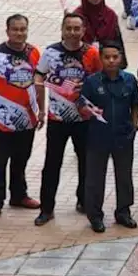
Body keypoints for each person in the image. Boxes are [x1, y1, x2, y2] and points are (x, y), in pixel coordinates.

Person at [33, 12, 101, 225]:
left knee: (86, 163)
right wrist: (41, 106)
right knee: (52, 164)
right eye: (68, 28)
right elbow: (38, 75)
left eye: (76, 29)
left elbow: (100, 80)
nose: (72, 32)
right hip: (57, 119)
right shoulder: (51, 52)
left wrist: (88, 88)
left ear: (83, 31)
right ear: (62, 29)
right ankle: (46, 209)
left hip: (84, 119)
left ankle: (84, 201)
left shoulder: (91, 52)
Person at [0, 15, 42, 223]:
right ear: (7, 31)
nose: (19, 33)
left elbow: (40, 83)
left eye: (23, 29)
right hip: (1, 120)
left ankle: (19, 195)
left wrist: (41, 110)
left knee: (21, 159)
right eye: (15, 29)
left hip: (28, 119)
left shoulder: (34, 53)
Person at [81, 43, 138, 232]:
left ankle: (123, 212)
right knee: (95, 178)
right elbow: (82, 106)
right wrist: (88, 111)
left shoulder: (130, 80)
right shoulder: (91, 82)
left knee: (124, 176)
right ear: (101, 58)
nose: (111, 61)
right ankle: (95, 216)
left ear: (121, 58)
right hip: (98, 137)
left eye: (115, 57)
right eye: (107, 57)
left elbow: (135, 105)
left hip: (123, 136)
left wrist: (134, 126)